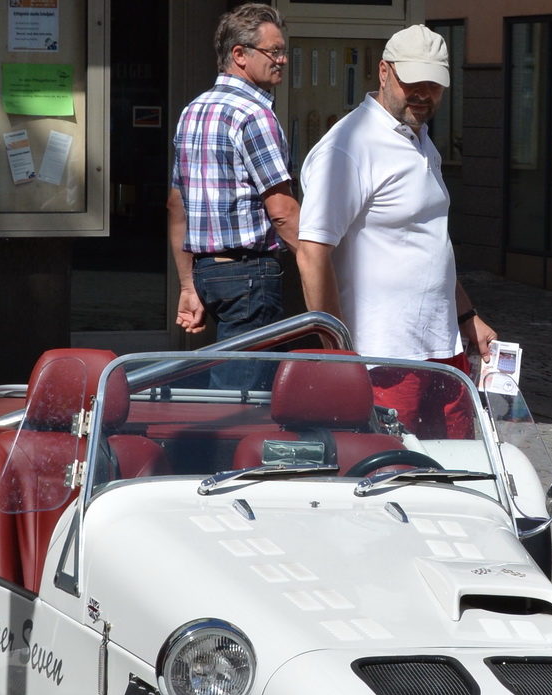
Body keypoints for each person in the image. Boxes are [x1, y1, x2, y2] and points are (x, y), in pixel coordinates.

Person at [297, 24, 496, 437]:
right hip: (382, 358)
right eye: (413, 81)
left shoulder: (420, 139)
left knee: (455, 465)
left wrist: (467, 315)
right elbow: (312, 252)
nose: (423, 93)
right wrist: (338, 354)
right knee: (392, 469)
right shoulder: (348, 146)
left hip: (441, 350)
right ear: (384, 72)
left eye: (434, 84)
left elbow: (428, 242)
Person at [168, 3, 298, 343]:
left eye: (283, 51)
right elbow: (282, 212)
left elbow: (176, 206)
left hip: (206, 273)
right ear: (240, 54)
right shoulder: (254, 114)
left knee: (233, 371)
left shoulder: (192, 111)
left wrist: (188, 285)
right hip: (250, 272)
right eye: (274, 51)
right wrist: (318, 264)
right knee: (247, 376)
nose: (282, 60)